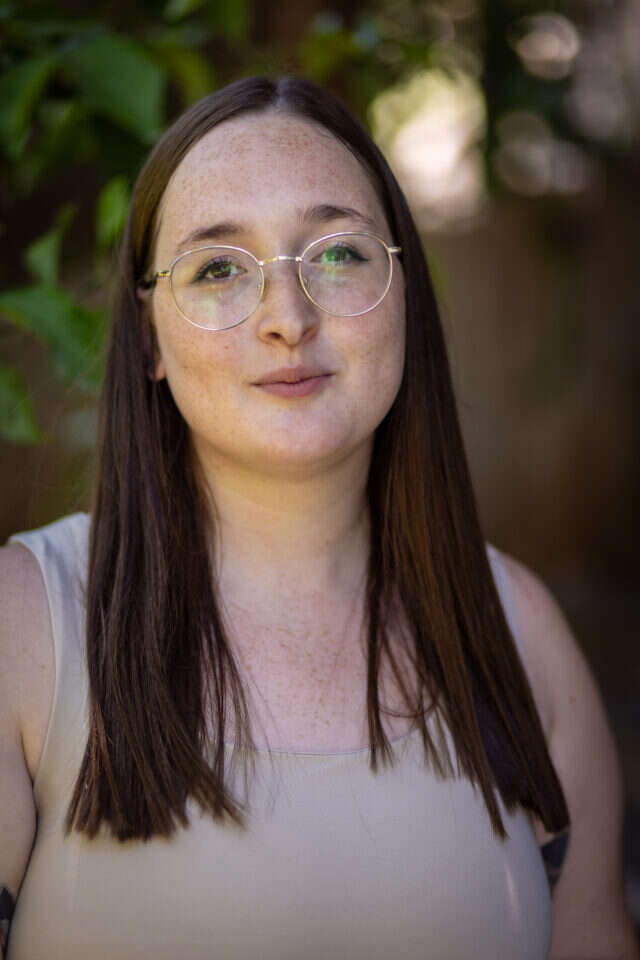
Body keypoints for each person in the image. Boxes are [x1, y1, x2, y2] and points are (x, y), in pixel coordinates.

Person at [0, 74, 637, 960]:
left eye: (337, 254)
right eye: (218, 268)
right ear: (148, 338)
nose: (288, 318)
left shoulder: (520, 635)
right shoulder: (25, 630)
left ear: (404, 290)